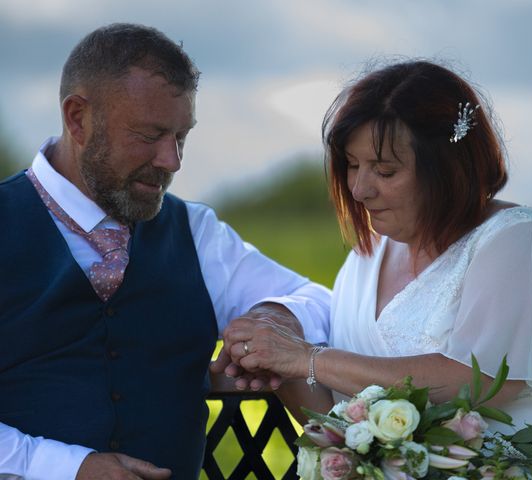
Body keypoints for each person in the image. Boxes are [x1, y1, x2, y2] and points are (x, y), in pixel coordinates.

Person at [222, 60, 532, 478]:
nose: (360, 189)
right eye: (351, 164)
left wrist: (309, 358)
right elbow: (341, 416)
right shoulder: (365, 258)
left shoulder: (514, 238)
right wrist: (277, 366)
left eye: (385, 170)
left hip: (531, 466)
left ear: (447, 170)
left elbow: (481, 381)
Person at [0, 23, 330, 480]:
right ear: (77, 118)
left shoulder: (196, 231)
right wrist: (65, 467)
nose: (171, 160)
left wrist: (273, 319)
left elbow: (319, 301)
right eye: (149, 135)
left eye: (181, 136)